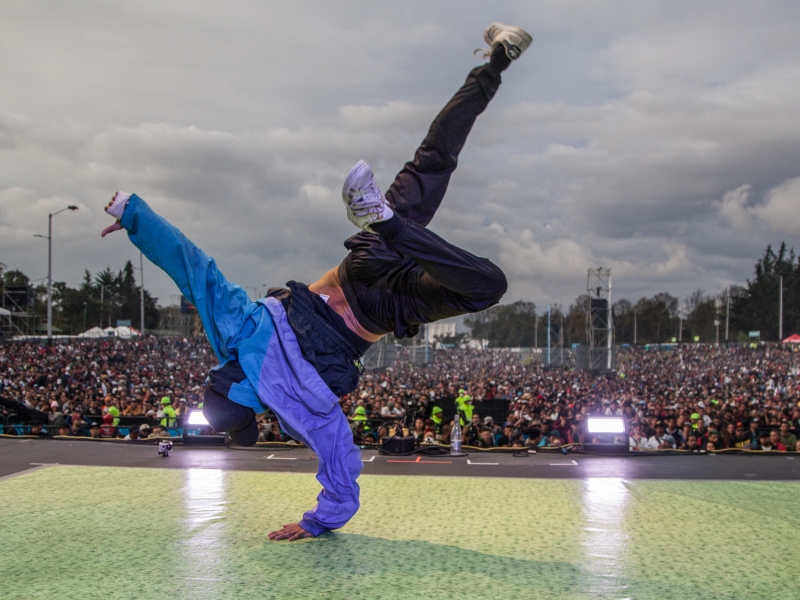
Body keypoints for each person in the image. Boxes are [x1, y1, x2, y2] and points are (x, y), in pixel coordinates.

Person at [100, 22, 531, 541]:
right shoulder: (234, 336)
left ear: (250, 409)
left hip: (384, 310)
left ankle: (391, 220)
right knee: (433, 161)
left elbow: (342, 465)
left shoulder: (299, 411)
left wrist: (318, 522)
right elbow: (193, 268)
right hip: (366, 262)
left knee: (488, 285)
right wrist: (132, 215)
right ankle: (496, 63)